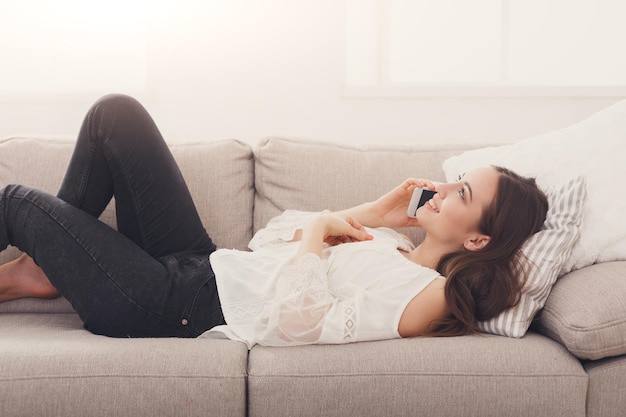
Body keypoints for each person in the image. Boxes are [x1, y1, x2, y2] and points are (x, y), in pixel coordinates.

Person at [0, 95, 548, 347]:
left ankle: (48, 263)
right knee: (113, 116)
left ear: (478, 238)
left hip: (171, 305)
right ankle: (50, 269)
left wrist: (319, 233)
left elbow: (300, 324)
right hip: (205, 261)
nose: (444, 186)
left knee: (16, 203)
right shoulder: (386, 240)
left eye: (462, 192)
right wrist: (370, 214)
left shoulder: (431, 294)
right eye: (455, 180)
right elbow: (268, 240)